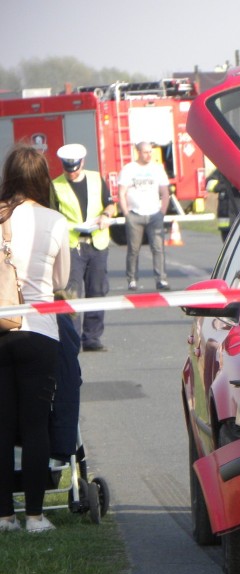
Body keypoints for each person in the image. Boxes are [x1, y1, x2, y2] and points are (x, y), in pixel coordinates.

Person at [0, 143, 70, 533]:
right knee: (35, 426)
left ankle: (4, 516)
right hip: (40, 330)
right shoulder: (55, 221)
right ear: (43, 179)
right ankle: (35, 516)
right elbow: (61, 281)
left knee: (1, 425)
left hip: (0, 326)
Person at [52, 143, 116, 351]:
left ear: (82, 163)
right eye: (67, 169)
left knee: (97, 290)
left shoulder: (97, 179)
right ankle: (72, 339)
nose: (71, 173)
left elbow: (110, 204)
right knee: (71, 293)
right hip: (72, 244)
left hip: (97, 242)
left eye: (75, 168)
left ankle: (92, 338)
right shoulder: (55, 185)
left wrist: (106, 215)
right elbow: (52, 214)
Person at [118, 141, 170, 291]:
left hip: (154, 214)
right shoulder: (129, 169)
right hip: (135, 214)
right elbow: (121, 192)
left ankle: (161, 279)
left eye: (150, 152)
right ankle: (132, 279)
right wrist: (126, 213)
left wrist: (162, 212)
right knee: (133, 249)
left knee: (158, 248)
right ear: (138, 152)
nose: (149, 155)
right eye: (145, 152)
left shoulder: (157, 169)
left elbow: (165, 192)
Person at [206, 168, 240, 242]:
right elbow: (209, 185)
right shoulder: (222, 168)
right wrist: (226, 185)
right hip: (225, 219)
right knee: (227, 248)